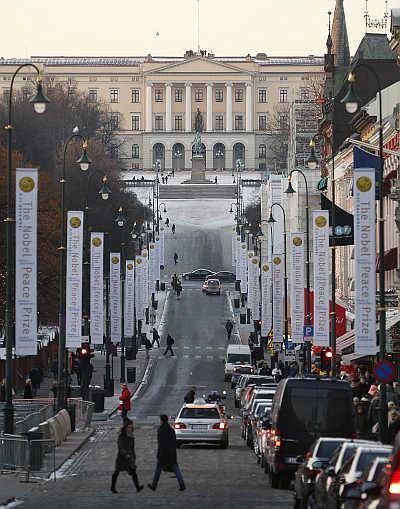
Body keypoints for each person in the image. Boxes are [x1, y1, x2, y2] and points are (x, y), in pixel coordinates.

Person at [148, 414, 185, 491]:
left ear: (161, 420)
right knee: (176, 469)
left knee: (158, 470)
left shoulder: (160, 430)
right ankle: (182, 484)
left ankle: (154, 485)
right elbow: (174, 441)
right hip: (171, 453)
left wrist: (159, 454)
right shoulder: (171, 430)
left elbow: (160, 443)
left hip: (163, 453)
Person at [111, 419, 143, 494]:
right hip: (122, 458)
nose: (130, 429)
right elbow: (120, 447)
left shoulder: (131, 435)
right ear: (125, 427)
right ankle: (112, 487)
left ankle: (137, 487)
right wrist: (126, 454)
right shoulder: (122, 436)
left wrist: (133, 456)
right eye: (129, 427)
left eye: (131, 427)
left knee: (134, 472)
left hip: (130, 457)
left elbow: (132, 448)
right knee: (117, 472)